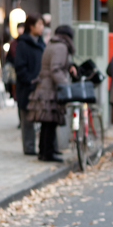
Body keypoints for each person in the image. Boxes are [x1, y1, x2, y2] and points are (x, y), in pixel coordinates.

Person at [28, 24, 76, 163]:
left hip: (44, 86)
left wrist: (69, 65)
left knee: (47, 123)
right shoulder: (61, 46)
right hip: (51, 89)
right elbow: (55, 69)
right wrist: (65, 86)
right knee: (50, 123)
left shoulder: (52, 44)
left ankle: (44, 151)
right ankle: (48, 153)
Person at [13, 15, 45, 155]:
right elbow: (19, 67)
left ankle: (43, 147)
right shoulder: (22, 44)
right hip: (26, 87)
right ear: (31, 26)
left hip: (41, 87)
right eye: (39, 24)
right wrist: (30, 80)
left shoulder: (42, 44)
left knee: (43, 117)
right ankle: (29, 148)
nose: (42, 27)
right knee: (27, 120)